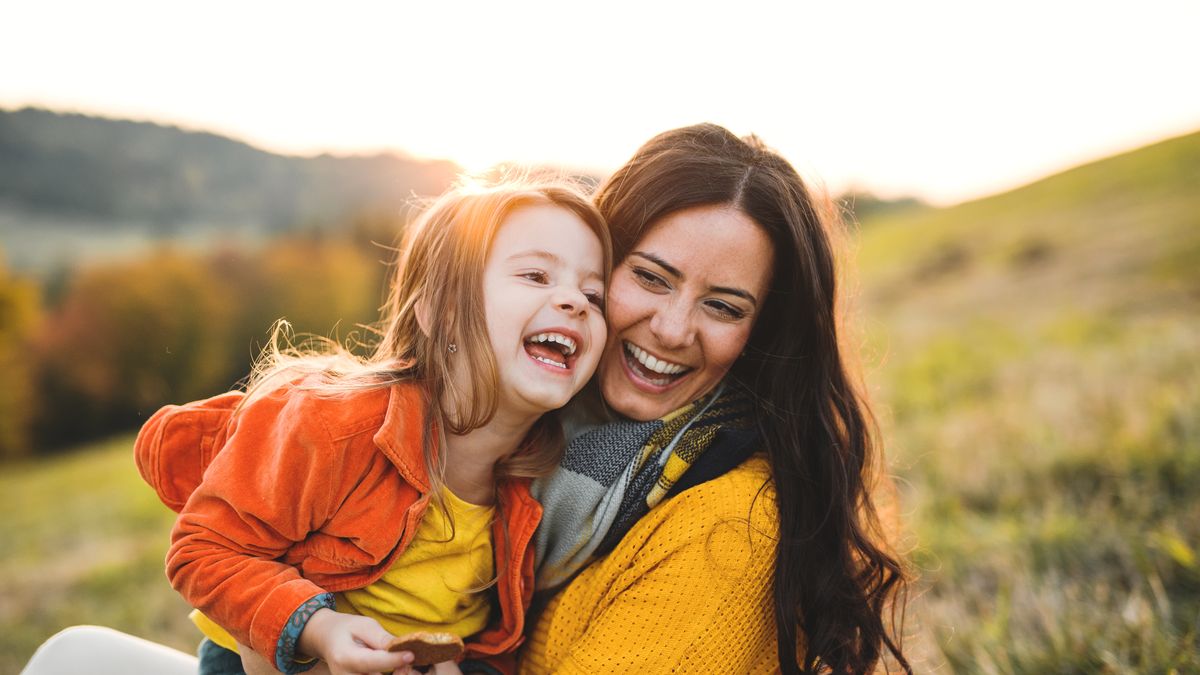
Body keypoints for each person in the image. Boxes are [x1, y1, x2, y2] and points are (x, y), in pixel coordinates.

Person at [135, 177, 611, 675]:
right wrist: (319, 629)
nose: (575, 301)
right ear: (441, 312)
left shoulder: (545, 482)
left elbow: (487, 634)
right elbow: (203, 550)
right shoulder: (334, 425)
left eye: (594, 294)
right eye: (536, 275)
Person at [521, 124, 911, 674]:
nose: (673, 330)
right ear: (594, 266)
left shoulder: (727, 530)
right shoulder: (518, 428)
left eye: (724, 307)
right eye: (652, 278)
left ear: (762, 333)